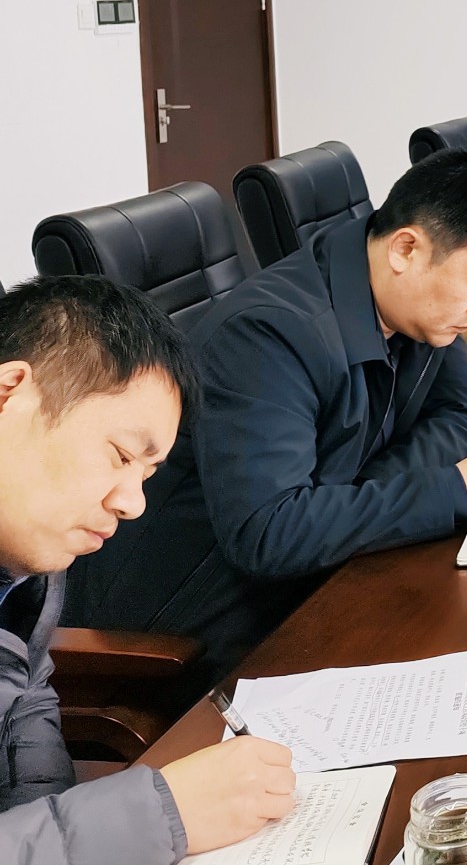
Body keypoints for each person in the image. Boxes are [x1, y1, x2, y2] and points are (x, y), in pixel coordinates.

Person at [67, 150, 467, 689]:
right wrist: (454, 488)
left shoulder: (421, 311)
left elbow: (466, 413)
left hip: (323, 581)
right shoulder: (267, 334)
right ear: (406, 249)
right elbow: (269, 533)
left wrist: (356, 497)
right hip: (202, 635)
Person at [0, 275, 295, 864]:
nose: (133, 503)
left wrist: (62, 816)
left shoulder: (27, 564)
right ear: (10, 394)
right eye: (120, 455)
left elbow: (23, 702)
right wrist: (159, 816)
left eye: (147, 474)